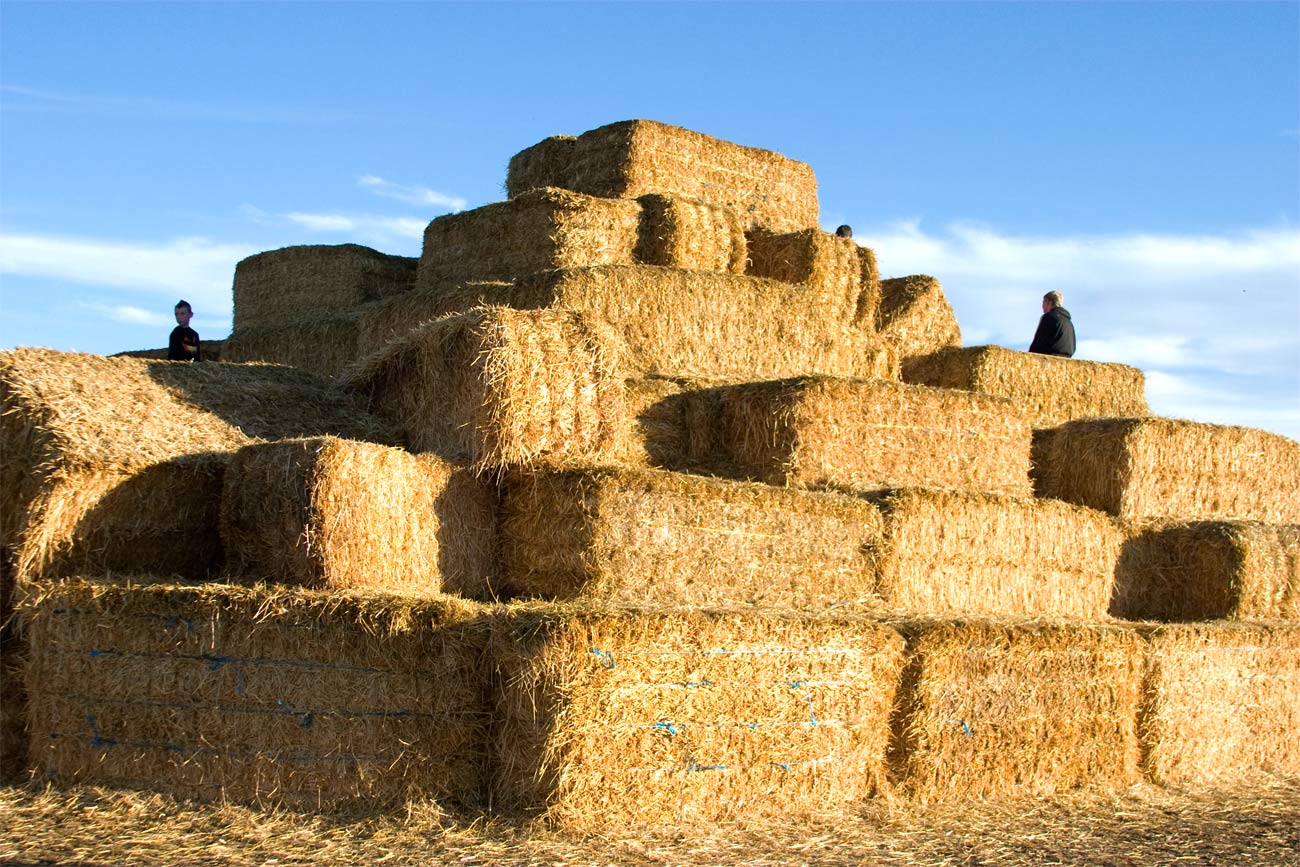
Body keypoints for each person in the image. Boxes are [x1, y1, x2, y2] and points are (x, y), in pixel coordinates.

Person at [1028, 290, 1075, 357]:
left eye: (1043, 302)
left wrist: (1030, 356)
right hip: (1067, 358)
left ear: (1048, 302)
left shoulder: (1048, 317)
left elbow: (1038, 343)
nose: (1042, 306)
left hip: (1050, 357)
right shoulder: (1069, 322)